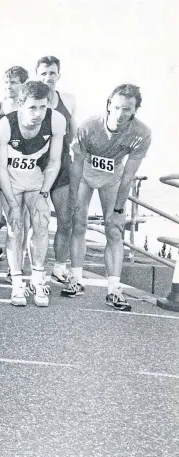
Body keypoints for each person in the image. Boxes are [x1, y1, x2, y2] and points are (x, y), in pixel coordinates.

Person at [61, 84, 151, 312]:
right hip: (85, 174)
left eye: (127, 109)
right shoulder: (89, 126)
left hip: (113, 178)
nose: (121, 114)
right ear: (109, 105)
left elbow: (129, 175)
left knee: (114, 230)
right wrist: (73, 199)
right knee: (78, 224)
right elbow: (77, 164)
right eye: (117, 107)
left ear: (134, 111)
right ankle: (76, 279)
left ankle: (113, 289)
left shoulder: (141, 133)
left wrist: (119, 211)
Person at [0, 81, 66, 307]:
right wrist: (12, 205)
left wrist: (44, 193)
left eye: (42, 107)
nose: (38, 114)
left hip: (37, 179)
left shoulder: (56, 120)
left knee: (41, 223)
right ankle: (17, 281)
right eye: (32, 108)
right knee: (16, 227)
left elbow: (55, 161)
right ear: (20, 105)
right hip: (12, 180)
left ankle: (38, 278)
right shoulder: (6, 125)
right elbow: (1, 168)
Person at [0, 66, 29, 283]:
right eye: (7, 83)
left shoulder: (28, 110)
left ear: (24, 85)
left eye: (14, 83)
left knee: (20, 221)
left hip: (21, 171)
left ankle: (15, 267)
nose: (9, 87)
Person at [36, 56, 78, 284]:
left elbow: (74, 135)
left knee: (65, 219)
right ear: (37, 75)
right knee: (35, 221)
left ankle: (60, 267)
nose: (48, 78)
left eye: (52, 73)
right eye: (43, 73)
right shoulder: (32, 99)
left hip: (61, 164)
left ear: (59, 75)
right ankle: (34, 269)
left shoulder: (68, 100)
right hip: (37, 164)